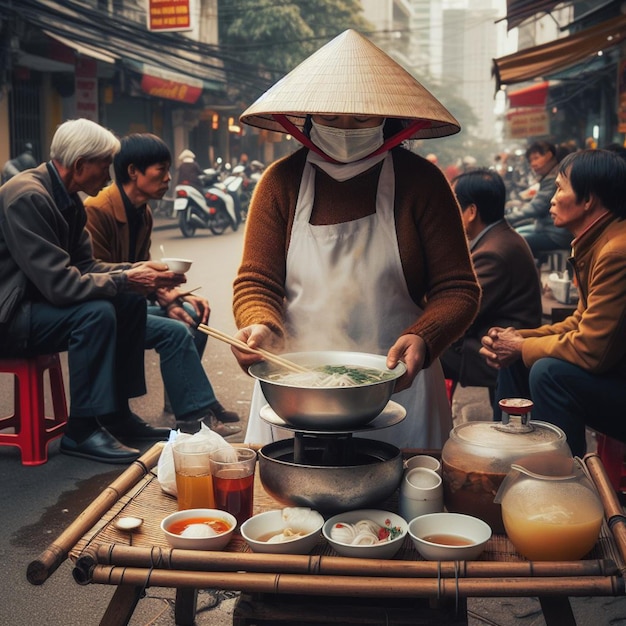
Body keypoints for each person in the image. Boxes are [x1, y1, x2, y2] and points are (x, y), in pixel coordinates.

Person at [230, 30, 481, 449]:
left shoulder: (423, 183)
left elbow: (458, 289)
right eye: (330, 117)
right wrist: (260, 325)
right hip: (296, 383)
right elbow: (256, 281)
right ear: (308, 117)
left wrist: (425, 336)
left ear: (388, 119)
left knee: (404, 507)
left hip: (399, 383)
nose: (345, 128)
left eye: (361, 118)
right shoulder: (281, 183)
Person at [0, 118, 186, 464]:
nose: (109, 174)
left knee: (128, 300)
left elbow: (85, 268)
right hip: (11, 317)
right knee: (95, 313)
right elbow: (61, 285)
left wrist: (136, 272)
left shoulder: (68, 199)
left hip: (35, 306)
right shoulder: (28, 197)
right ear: (80, 165)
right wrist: (127, 278)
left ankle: (116, 414)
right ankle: (81, 429)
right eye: (104, 165)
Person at [85, 133, 241, 437]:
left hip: (130, 301)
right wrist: (156, 287)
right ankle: (193, 416)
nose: (169, 179)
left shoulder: (143, 212)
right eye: (161, 170)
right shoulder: (98, 209)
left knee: (192, 313)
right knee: (175, 331)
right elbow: (94, 274)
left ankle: (182, 402)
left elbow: (144, 269)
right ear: (133, 171)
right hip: (107, 310)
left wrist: (170, 297)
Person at [479, 149, 626, 457]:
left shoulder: (615, 251)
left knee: (548, 373)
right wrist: (516, 340)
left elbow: (592, 350)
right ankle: (507, 458)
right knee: (518, 358)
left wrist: (520, 346)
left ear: (588, 200)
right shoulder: (601, 242)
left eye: (561, 188)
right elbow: (579, 323)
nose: (553, 199)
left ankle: (561, 478)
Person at [440, 169, 543, 403]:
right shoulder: (499, 237)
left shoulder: (493, 253)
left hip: (495, 351)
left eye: (452, 204)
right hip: (488, 336)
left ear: (471, 212)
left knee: (421, 351)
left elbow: (460, 311)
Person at [507, 140, 573, 259]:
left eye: (536, 158)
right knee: (516, 233)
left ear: (549, 155)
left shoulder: (554, 178)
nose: (533, 164)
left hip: (555, 233)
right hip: (546, 227)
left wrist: (506, 219)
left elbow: (536, 207)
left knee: (513, 242)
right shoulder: (550, 176)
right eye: (531, 160)